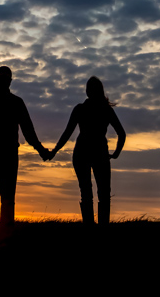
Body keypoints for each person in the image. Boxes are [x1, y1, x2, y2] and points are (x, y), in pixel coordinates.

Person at [0, 66, 49, 226]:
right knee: (5, 199)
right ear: (9, 82)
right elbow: (28, 131)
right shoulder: (15, 102)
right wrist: (41, 150)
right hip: (5, 157)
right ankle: (0, 234)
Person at [49, 76, 125, 225]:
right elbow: (121, 134)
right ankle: (102, 226)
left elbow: (67, 133)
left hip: (82, 153)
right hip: (100, 153)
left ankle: (89, 227)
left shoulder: (80, 109)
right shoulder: (106, 110)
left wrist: (54, 151)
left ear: (87, 91)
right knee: (103, 194)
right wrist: (116, 153)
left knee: (86, 193)